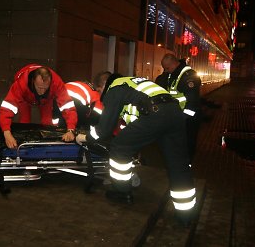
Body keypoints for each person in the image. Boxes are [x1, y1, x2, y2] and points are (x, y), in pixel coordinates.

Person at [76, 73, 196, 225]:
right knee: (179, 165)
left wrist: (85, 137)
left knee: (119, 148)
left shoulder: (115, 88)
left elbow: (104, 130)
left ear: (103, 86)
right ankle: (186, 215)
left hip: (154, 113)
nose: (101, 97)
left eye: (99, 92)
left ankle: (122, 191)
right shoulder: (133, 84)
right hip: (175, 113)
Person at [0, 64, 77, 148]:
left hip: (47, 100)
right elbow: (6, 109)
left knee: (47, 124)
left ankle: (47, 148)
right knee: (24, 121)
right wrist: (6, 133)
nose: (42, 92)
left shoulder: (56, 83)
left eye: (45, 88)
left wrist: (71, 130)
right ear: (33, 81)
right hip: (25, 98)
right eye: (40, 88)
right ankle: (24, 147)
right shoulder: (21, 84)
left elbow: (68, 107)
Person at [156, 54, 201, 162]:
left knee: (187, 144)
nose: (166, 70)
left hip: (188, 119)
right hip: (177, 117)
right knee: (175, 145)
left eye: (167, 68)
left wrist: (184, 117)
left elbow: (192, 101)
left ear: (174, 63)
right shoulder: (172, 74)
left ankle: (186, 166)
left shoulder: (189, 76)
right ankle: (178, 164)